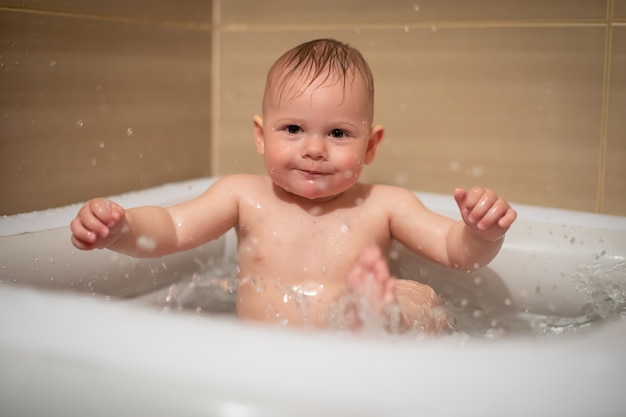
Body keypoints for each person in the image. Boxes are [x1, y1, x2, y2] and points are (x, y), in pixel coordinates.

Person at [70, 39, 517, 334]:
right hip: (264, 363)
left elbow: (456, 254)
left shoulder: (384, 204)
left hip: (357, 365)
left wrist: (480, 233)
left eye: (339, 134)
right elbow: (168, 228)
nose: (315, 149)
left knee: (422, 299)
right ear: (261, 136)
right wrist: (123, 228)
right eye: (293, 129)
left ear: (370, 145)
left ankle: (373, 316)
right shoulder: (242, 195)